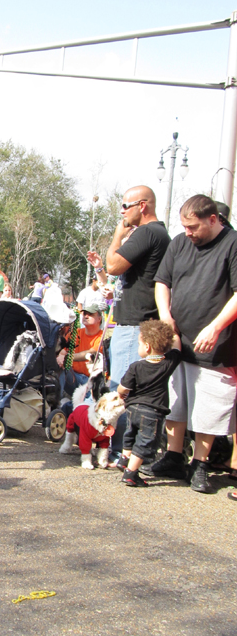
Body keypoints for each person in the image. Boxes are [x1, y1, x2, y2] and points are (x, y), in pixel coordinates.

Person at [154, 195, 237, 493]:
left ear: (213, 219)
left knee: (208, 406)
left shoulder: (232, 244)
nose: (187, 232)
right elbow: (162, 282)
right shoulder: (179, 242)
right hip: (180, 338)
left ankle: (200, 463)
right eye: (184, 226)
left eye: (193, 227)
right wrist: (166, 317)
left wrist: (216, 327)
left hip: (214, 343)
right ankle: (173, 456)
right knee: (176, 401)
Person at [104, 185, 170, 462]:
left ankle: (120, 450)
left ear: (142, 206)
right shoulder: (160, 233)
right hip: (138, 322)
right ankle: (129, 451)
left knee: (121, 390)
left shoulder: (147, 232)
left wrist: (118, 235)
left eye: (125, 206)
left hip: (134, 324)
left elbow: (113, 265)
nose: (121, 212)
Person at [117, 321, 182, 486]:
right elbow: (177, 348)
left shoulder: (136, 366)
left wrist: (121, 394)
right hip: (152, 411)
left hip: (132, 407)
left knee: (130, 433)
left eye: (139, 344)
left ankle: (125, 458)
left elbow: (123, 387)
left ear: (147, 347)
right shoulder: (168, 363)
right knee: (145, 442)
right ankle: (130, 473)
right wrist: (172, 331)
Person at [57, 305, 104, 401]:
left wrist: (66, 357)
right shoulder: (76, 333)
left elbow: (90, 353)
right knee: (59, 366)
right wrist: (61, 355)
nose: (86, 316)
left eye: (90, 314)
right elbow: (62, 349)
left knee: (63, 368)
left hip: (90, 381)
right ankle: (55, 401)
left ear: (99, 319)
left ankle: (58, 403)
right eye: (85, 313)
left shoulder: (102, 337)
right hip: (73, 376)